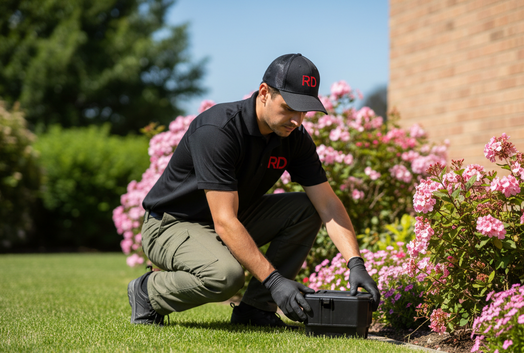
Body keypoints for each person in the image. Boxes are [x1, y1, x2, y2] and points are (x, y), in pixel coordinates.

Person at [128, 53, 380, 328]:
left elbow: (327, 205)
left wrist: (356, 263)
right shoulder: (218, 130)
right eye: (289, 107)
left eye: (303, 111)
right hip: (172, 223)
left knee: (307, 209)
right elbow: (224, 221)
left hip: (231, 218)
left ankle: (255, 309)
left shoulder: (294, 138)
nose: (296, 120)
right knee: (225, 276)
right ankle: (147, 292)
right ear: (264, 93)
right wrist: (275, 282)